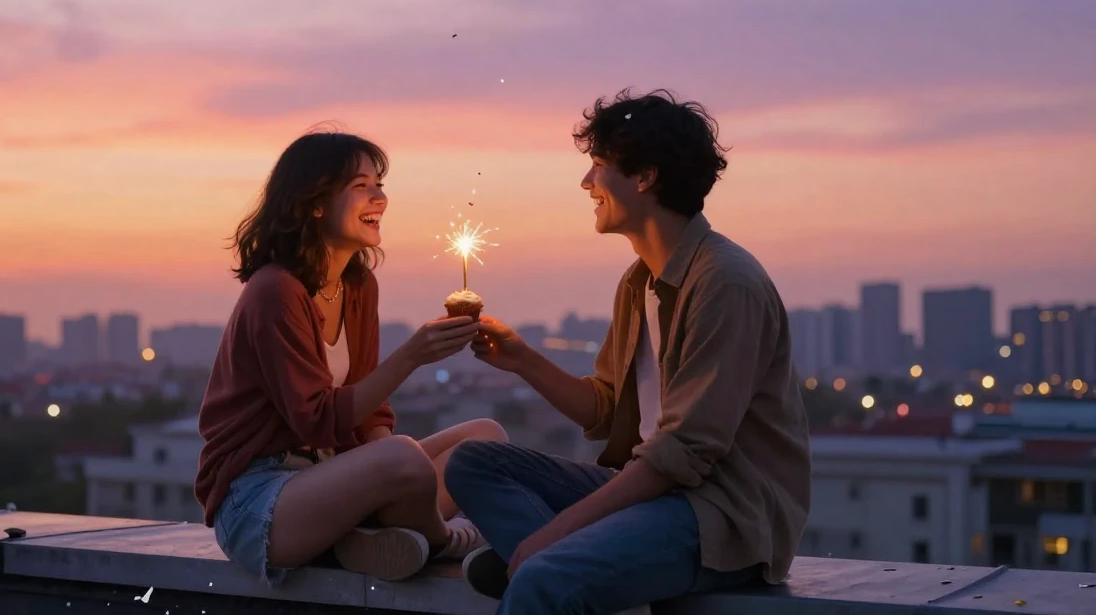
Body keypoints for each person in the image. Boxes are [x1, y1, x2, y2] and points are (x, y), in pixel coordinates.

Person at [444, 90, 811, 613]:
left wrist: (551, 536)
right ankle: (575, 566)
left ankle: (549, 569)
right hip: (656, 495)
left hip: (720, 513)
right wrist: (522, 359)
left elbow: (683, 452)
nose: (586, 183)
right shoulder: (640, 281)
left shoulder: (726, 284)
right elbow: (605, 409)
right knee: (472, 463)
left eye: (598, 166)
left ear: (645, 178)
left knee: (544, 578)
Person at [194, 130, 505, 587]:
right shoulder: (275, 291)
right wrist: (412, 357)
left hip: (334, 475)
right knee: (402, 457)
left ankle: (368, 538)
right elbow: (316, 420)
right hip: (262, 498)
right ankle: (444, 539)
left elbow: (370, 411)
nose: (380, 198)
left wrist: (391, 473)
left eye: (380, 184)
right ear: (315, 202)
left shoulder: (358, 286)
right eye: (361, 186)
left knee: (485, 437)